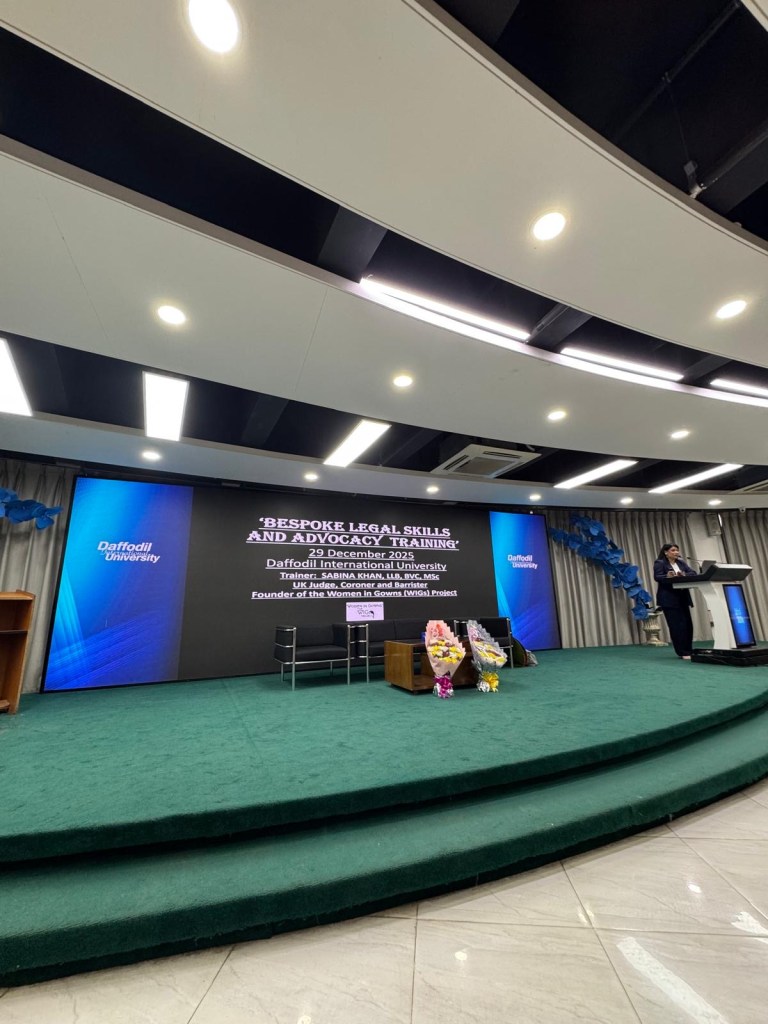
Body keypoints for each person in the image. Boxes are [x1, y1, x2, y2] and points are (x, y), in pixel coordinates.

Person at [653, 543, 697, 659]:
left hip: (683, 597)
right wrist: (667, 575)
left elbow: (693, 573)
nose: (676, 552)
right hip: (669, 599)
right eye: (673, 550)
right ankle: (682, 652)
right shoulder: (660, 563)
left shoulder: (681, 562)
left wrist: (684, 574)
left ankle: (689, 650)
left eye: (677, 550)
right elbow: (657, 577)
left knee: (688, 625)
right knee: (677, 626)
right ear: (666, 552)